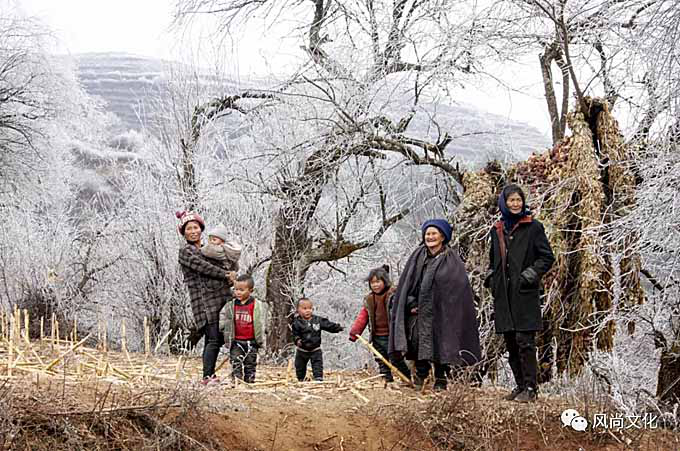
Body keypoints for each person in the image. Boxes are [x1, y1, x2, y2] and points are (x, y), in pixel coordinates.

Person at [389, 219, 482, 391]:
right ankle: (421, 375)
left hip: (443, 312)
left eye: (434, 234)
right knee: (417, 342)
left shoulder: (451, 260)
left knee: (442, 342)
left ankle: (440, 379)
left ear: (442, 237)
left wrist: (444, 305)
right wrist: (411, 303)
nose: (430, 237)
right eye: (427, 234)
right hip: (419, 311)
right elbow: (407, 285)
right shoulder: (417, 257)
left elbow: (458, 288)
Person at [485, 184, 555, 403]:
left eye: (518, 200)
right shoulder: (497, 230)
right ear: (504, 203)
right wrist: (491, 280)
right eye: (511, 200)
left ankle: (531, 388)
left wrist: (529, 275)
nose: (515, 204)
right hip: (504, 295)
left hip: (524, 293)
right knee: (511, 342)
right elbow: (492, 261)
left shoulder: (533, 227)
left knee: (525, 342)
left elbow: (547, 257)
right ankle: (520, 385)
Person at [176, 210, 233, 384]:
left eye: (196, 227)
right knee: (213, 338)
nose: (193, 231)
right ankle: (207, 376)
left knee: (217, 338)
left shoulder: (208, 248)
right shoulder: (186, 251)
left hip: (220, 298)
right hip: (204, 303)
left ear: (201, 229)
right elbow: (204, 267)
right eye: (188, 229)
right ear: (184, 233)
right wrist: (226, 274)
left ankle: (211, 375)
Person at [349, 265, 411, 382]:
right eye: (372, 283)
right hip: (377, 335)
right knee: (380, 359)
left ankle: (407, 378)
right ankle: (386, 379)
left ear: (385, 281)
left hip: (391, 335)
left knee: (395, 358)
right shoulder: (369, 299)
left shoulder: (393, 295)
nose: (375, 285)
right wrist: (355, 332)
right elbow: (363, 316)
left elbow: (404, 307)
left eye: (378, 282)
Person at [219, 274, 267, 383]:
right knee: (235, 361)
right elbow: (223, 316)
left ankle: (249, 381)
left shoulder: (257, 305)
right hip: (236, 341)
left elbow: (263, 319)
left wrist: (263, 333)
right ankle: (237, 381)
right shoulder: (231, 305)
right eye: (236, 289)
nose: (238, 292)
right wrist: (223, 328)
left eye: (241, 290)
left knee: (250, 363)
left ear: (251, 290)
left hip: (251, 341)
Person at [291, 298, 343, 381]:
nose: (308, 311)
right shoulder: (296, 323)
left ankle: (318, 378)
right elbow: (295, 334)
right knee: (299, 366)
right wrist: (297, 340)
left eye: (310, 308)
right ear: (298, 310)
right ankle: (300, 379)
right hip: (302, 350)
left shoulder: (318, 320)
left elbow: (328, 325)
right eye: (304, 308)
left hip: (315, 349)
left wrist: (337, 327)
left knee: (317, 365)